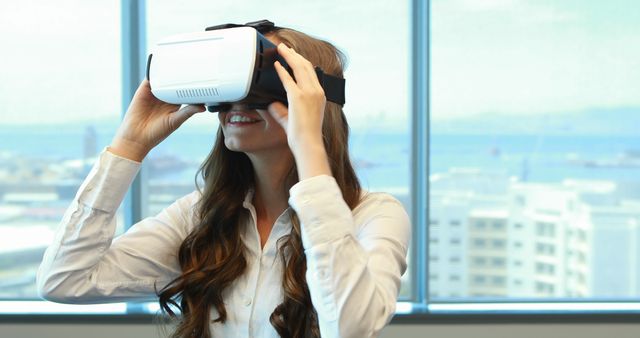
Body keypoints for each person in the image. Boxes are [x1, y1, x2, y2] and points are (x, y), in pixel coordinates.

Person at [36, 23, 410, 338]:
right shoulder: (200, 217)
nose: (238, 105)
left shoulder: (374, 216)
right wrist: (129, 145)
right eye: (231, 91)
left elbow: (350, 328)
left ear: (313, 99)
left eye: (260, 87)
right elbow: (65, 281)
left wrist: (308, 145)